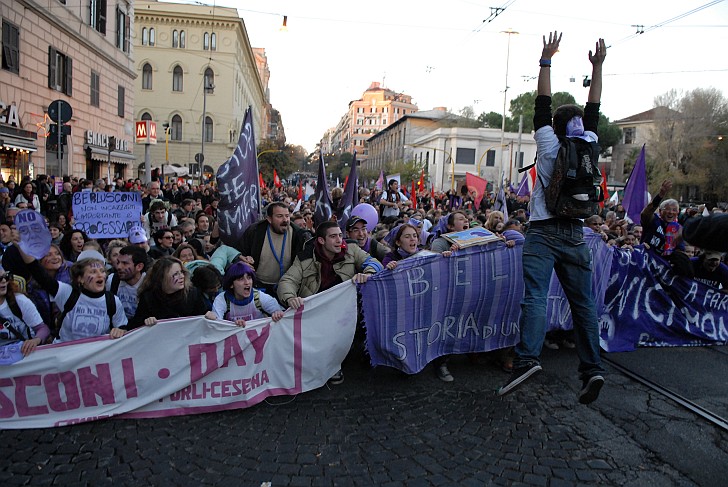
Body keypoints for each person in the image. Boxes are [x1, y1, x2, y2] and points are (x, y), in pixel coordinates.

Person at [497, 31, 607, 404]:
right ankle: (592, 368)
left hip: (543, 231)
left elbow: (541, 103)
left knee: (537, 297)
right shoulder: (589, 143)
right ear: (579, 127)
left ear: (553, 126)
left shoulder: (547, 144)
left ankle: (528, 359)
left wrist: (546, 61)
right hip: (577, 232)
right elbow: (594, 108)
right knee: (583, 304)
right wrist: (597, 67)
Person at [278, 221, 382, 384]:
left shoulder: (352, 250)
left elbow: (374, 262)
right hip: (317, 310)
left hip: (344, 309)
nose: (339, 240)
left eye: (340, 235)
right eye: (333, 237)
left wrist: (367, 273)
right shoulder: (305, 257)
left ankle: (340, 360)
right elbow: (288, 280)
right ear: (321, 240)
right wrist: (290, 297)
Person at [19, 248, 127, 342]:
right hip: (66, 357)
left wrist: (120, 330)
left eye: (102, 271)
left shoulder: (113, 301)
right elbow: (39, 274)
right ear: (80, 279)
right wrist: (21, 246)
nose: (100, 275)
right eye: (93, 272)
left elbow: (122, 326)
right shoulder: (67, 293)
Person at [239, 202, 311, 296]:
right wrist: (243, 263)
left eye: (287, 216)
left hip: (286, 287)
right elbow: (240, 253)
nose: (285, 220)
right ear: (269, 219)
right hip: (258, 286)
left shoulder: (299, 235)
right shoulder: (255, 232)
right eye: (280, 216)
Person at [129, 256, 215, 328]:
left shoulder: (192, 293)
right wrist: (146, 322)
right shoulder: (148, 297)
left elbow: (204, 316)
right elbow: (135, 325)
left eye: (181, 272)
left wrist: (209, 316)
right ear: (161, 278)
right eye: (176, 274)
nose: (181, 276)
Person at [211, 262, 284, 327]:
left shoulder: (259, 297)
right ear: (231, 284)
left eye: (249, 278)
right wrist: (233, 326)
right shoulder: (222, 299)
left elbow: (283, 314)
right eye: (241, 279)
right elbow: (216, 324)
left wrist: (278, 314)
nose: (247, 282)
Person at [0, 265, 49, 356]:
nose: (3, 281)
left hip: (24, 355)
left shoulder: (20, 301)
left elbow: (43, 329)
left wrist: (35, 340)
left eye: (5, 277)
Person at [639, 180, 684, 257]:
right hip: (646, 259)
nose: (670, 212)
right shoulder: (654, 220)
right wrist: (660, 196)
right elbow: (645, 214)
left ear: (677, 213)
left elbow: (681, 251)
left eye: (674, 210)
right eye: (667, 209)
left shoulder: (679, 229)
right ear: (660, 211)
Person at [108, 245, 147, 320]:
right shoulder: (112, 280)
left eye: (125, 263)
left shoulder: (150, 284)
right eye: (118, 262)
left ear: (139, 266)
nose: (119, 267)